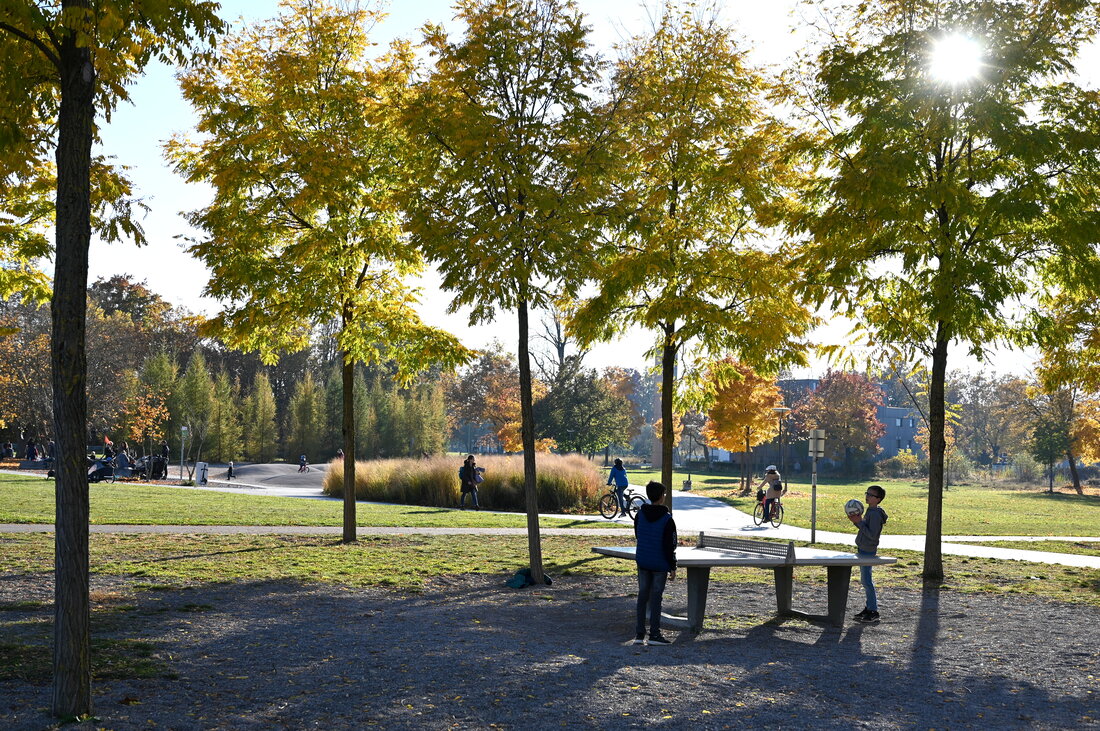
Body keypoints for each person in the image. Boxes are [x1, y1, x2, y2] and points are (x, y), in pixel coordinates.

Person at [633, 480, 677, 646]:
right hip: (659, 563)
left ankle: (639, 634)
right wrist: (672, 566)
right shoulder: (667, 519)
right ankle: (655, 634)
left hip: (643, 560)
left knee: (642, 596)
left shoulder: (640, 514)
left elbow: (638, 534)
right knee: (656, 598)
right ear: (661, 496)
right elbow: (670, 545)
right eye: (664, 494)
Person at [849, 484, 888, 623]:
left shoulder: (876, 514)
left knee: (867, 581)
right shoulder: (870, 511)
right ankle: (869, 607)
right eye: (867, 493)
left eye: (871, 495)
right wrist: (857, 522)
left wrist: (859, 523)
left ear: (878, 499)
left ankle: (873, 611)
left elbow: (872, 535)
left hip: (868, 550)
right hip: (863, 548)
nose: (867, 496)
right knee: (865, 581)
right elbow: (864, 528)